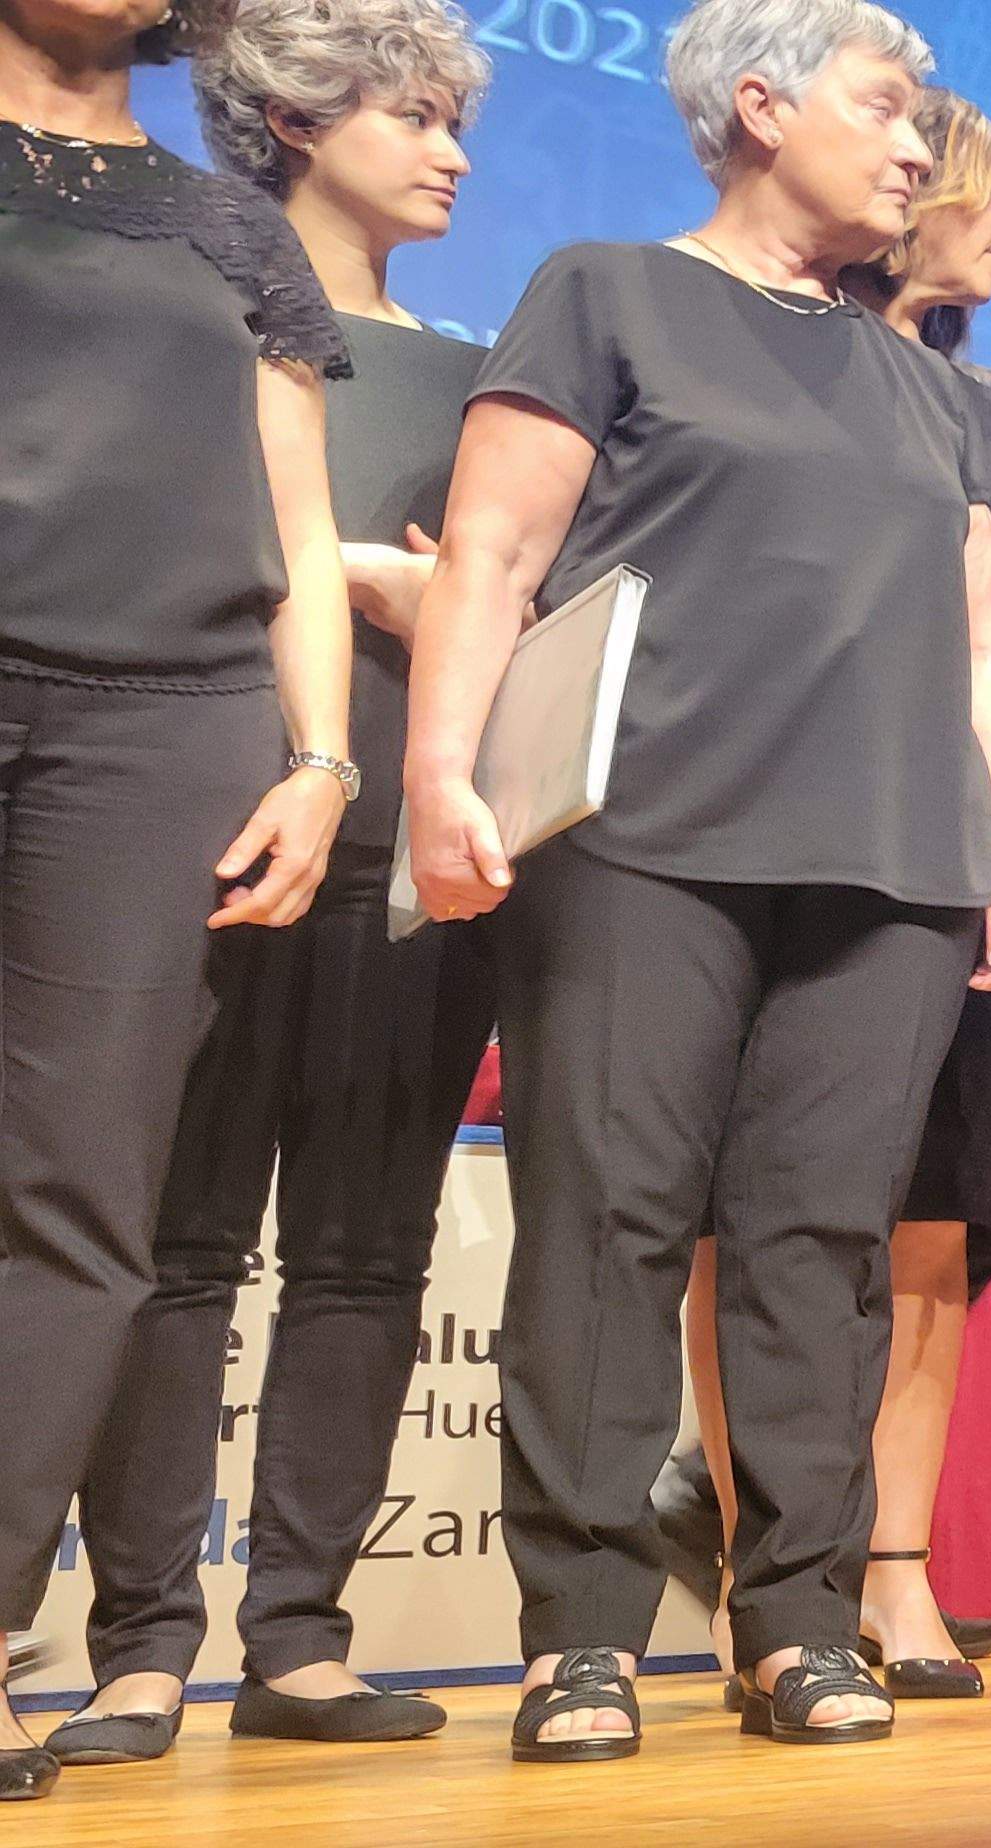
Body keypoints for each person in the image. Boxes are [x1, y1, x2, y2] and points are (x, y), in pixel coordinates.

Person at [403, 0, 991, 1758]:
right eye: (886, 107)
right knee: (609, 1225)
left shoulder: (935, 390)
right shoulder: (607, 290)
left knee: (818, 1244)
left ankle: (793, 1619)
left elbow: (986, 638)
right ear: (758, 107)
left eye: (925, 119)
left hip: (899, 861)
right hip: (646, 842)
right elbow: (494, 548)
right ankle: (585, 1633)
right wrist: (440, 775)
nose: (920, 144)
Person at [46, 0, 491, 1769]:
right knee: (173, 1238)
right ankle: (144, 1637)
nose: (453, 148)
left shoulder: (479, 376)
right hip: (201, 817)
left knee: (368, 1250)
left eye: (460, 117)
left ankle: (299, 1633)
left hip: (416, 849)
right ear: (296, 121)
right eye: (414, 112)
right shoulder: (184, 312)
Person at [651, 79, 991, 1705]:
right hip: (778, 839)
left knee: (929, 1221)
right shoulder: (758, 351)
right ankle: (768, 1564)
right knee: (744, 1214)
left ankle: (893, 1560)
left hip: (967, 874)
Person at [0, 0, 362, 1803]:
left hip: (163, 729)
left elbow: (299, 525)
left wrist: (320, 760)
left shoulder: (228, 226)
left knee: (76, 1199)